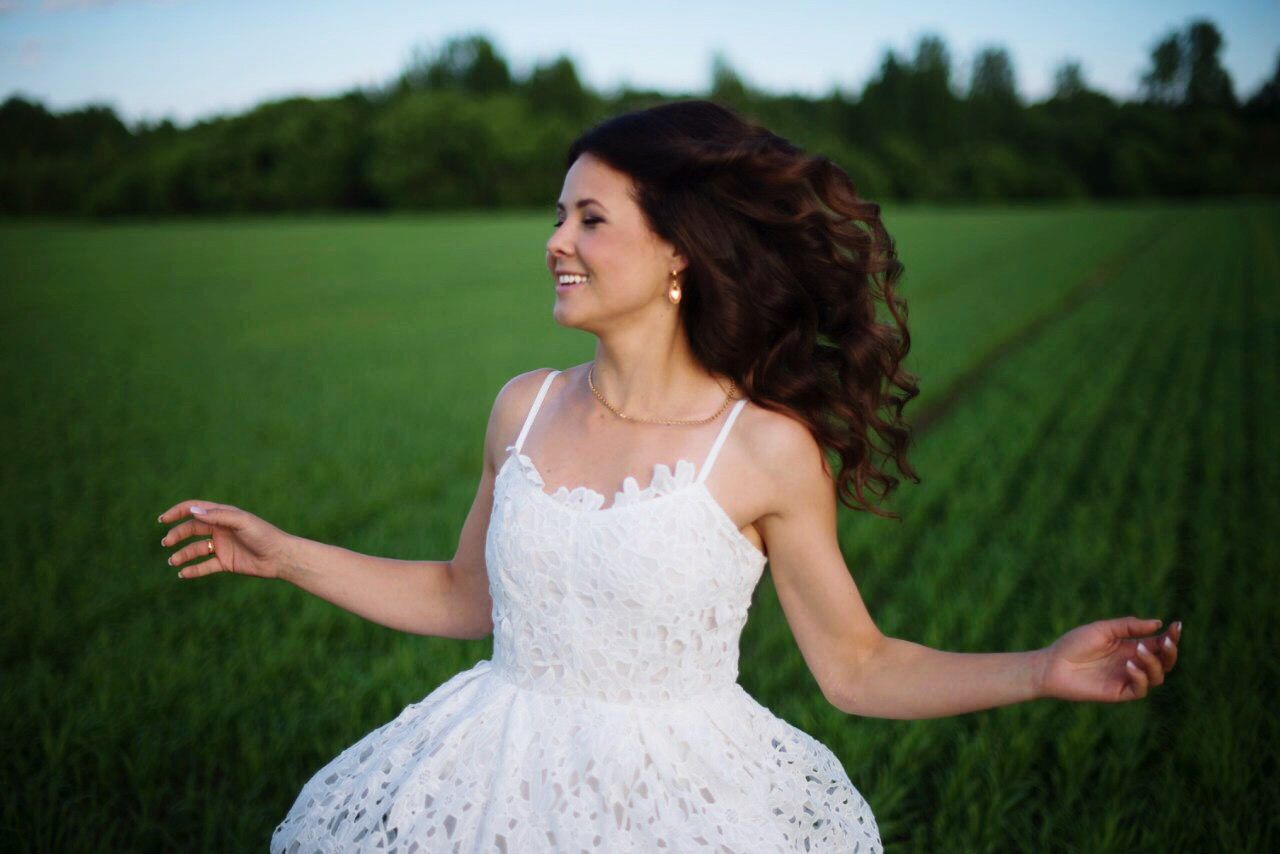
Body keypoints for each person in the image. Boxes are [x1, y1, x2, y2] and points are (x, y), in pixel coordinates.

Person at [156, 99, 1181, 852]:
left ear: (677, 250)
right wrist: (288, 555)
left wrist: (1038, 665)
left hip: (681, 809)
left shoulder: (762, 445)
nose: (555, 241)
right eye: (557, 215)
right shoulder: (522, 405)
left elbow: (856, 667)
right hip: (492, 778)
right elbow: (464, 595)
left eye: (589, 218)